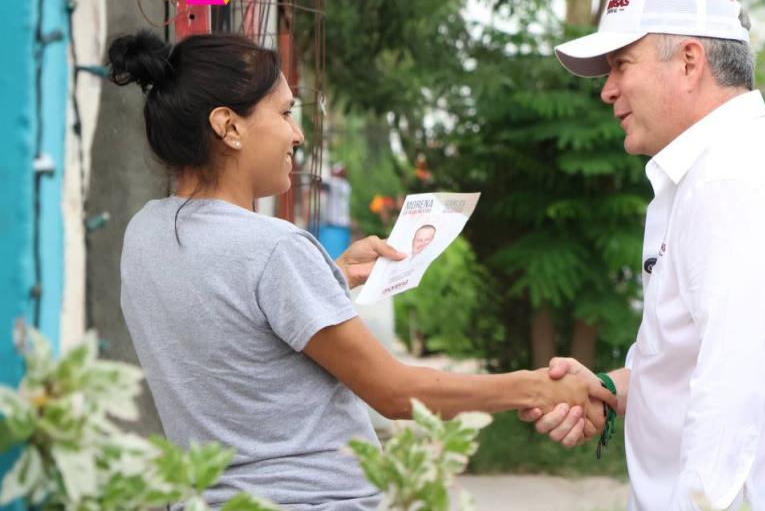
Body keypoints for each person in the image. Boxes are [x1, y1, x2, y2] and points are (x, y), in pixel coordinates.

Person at [109, 30, 611, 510]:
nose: (297, 134)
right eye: (284, 112)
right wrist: (537, 386)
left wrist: (331, 275)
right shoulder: (275, 249)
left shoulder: (144, 234)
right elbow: (394, 393)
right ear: (228, 127)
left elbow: (229, 316)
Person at [520, 0, 765, 511]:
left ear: (689, 62)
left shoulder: (730, 181)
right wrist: (613, 389)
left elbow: (731, 382)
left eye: (620, 64)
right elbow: (697, 352)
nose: (608, 90)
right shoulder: (740, 163)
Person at [319, 163, 352, 259]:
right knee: (341, 254)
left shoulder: (334, 183)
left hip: (333, 226)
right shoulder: (347, 185)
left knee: (331, 255)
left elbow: (322, 185)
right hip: (343, 225)